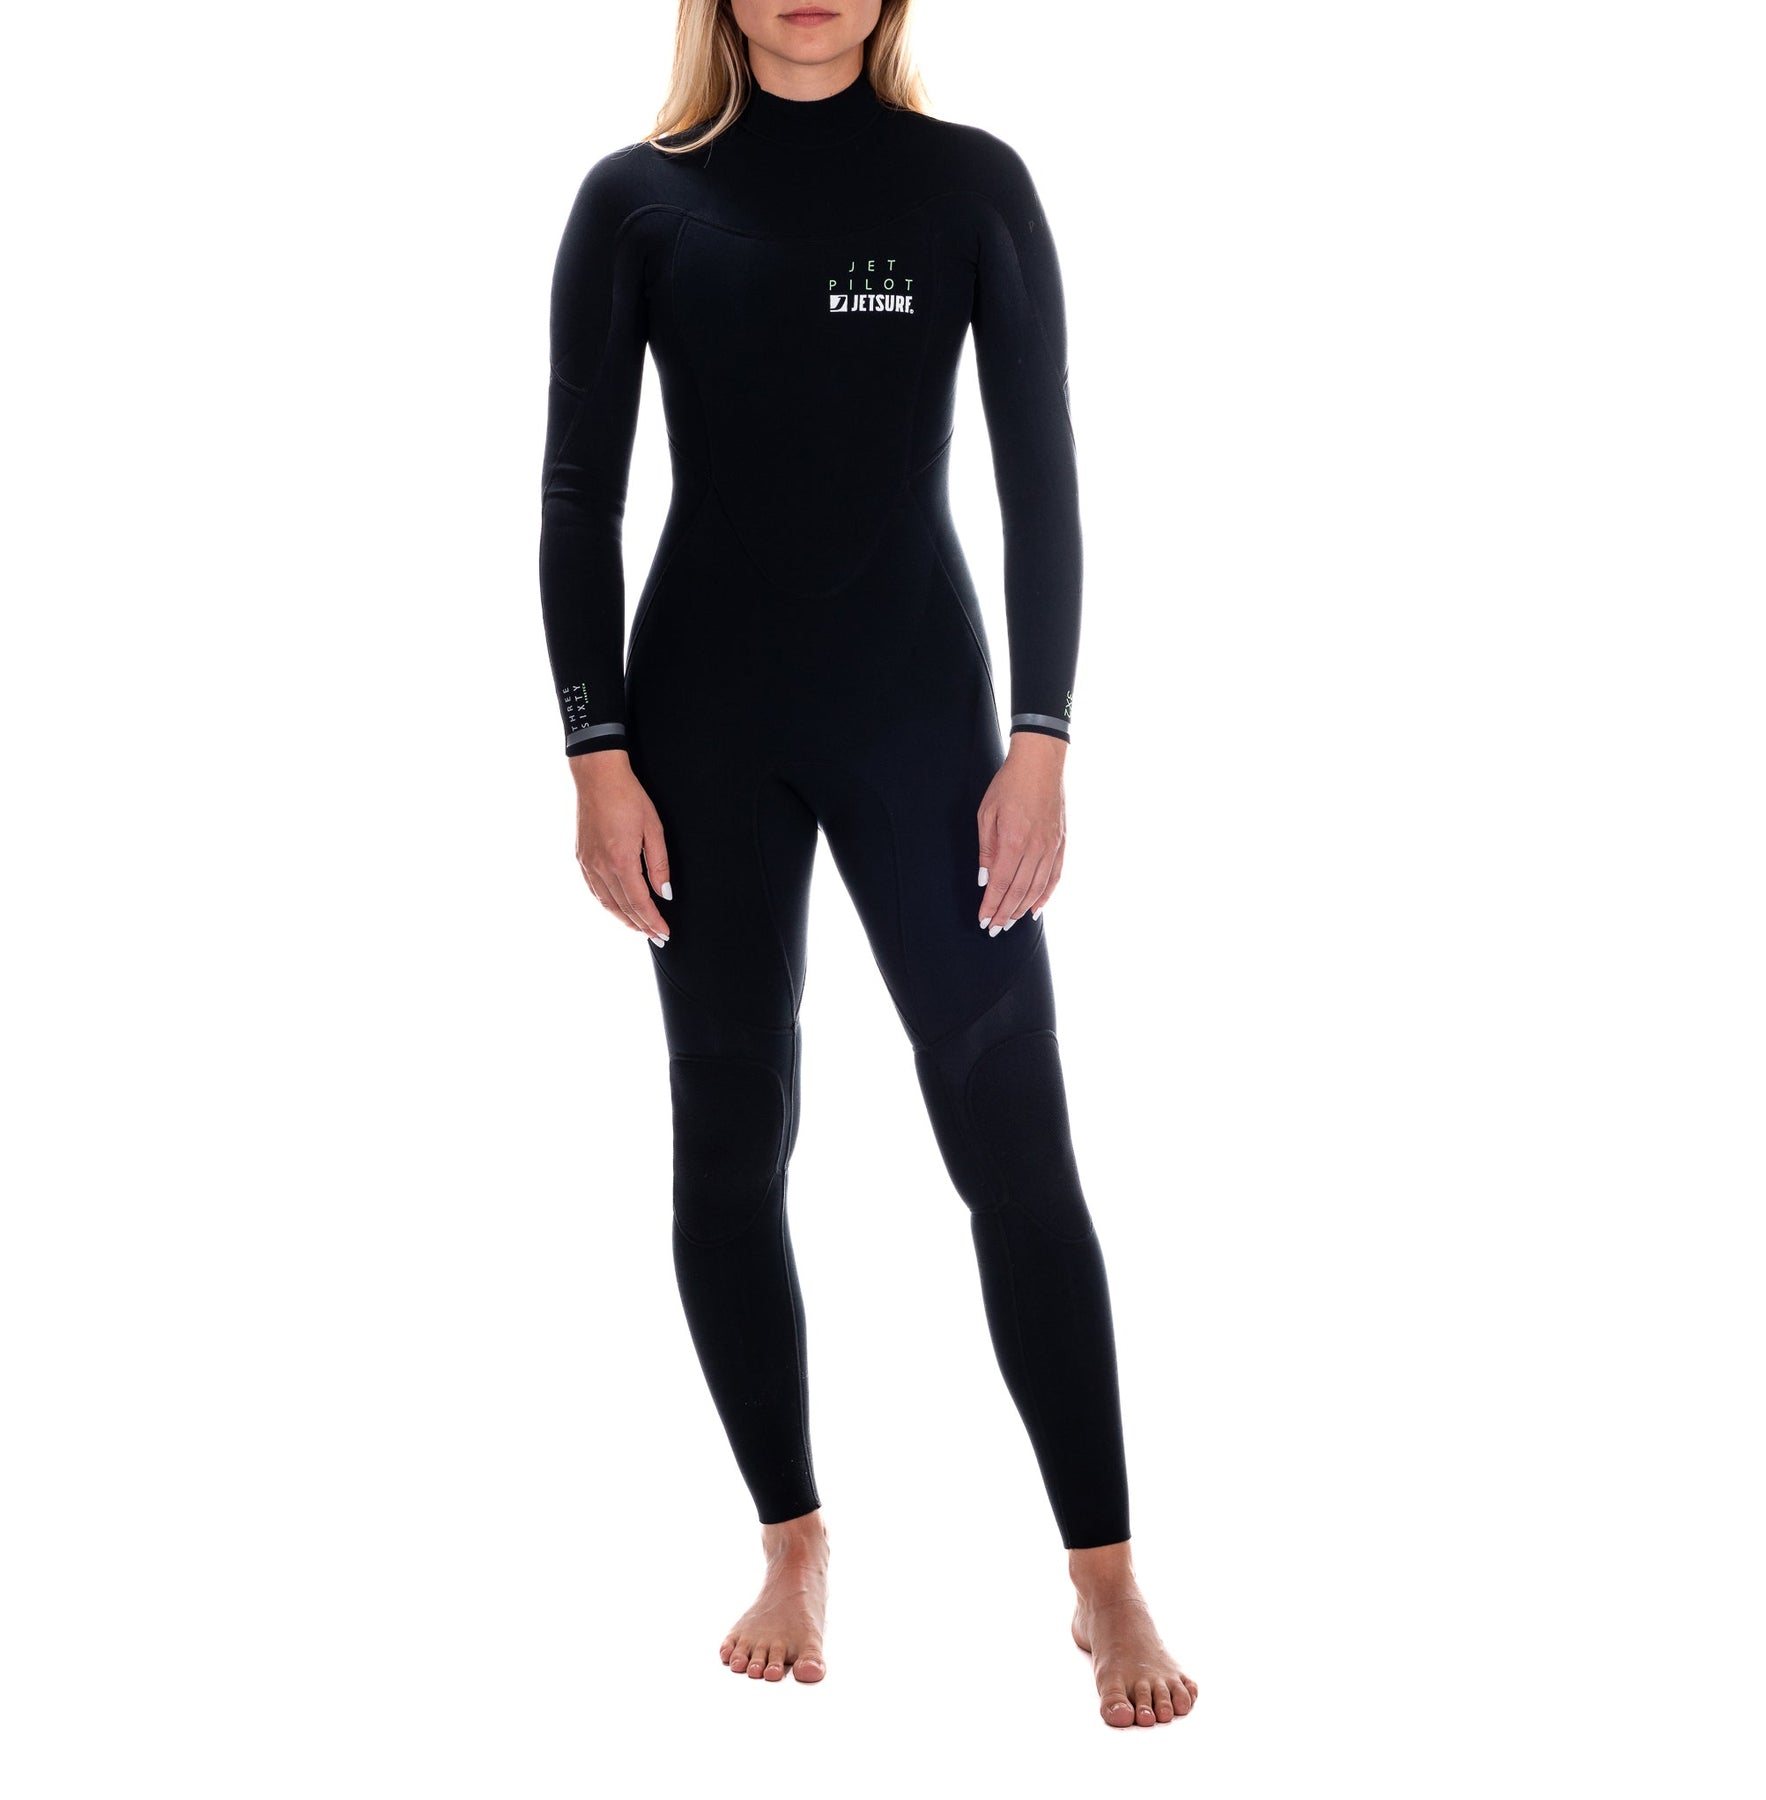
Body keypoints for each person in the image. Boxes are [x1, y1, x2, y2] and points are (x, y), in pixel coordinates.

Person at [537, 0, 1194, 1729]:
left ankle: (1105, 1575)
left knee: (1013, 1135)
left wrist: (1042, 736)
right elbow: (578, 493)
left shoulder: (969, 184)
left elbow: (1041, 473)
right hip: (701, 725)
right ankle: (793, 1538)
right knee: (728, 1131)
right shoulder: (638, 198)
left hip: (921, 716)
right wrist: (596, 751)